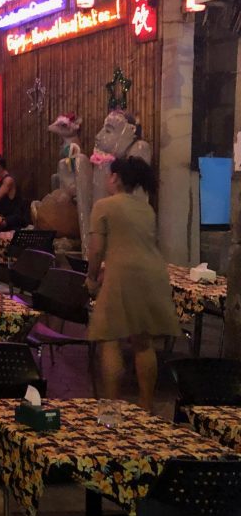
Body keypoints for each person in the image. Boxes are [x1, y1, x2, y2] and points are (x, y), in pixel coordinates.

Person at [86, 157, 180, 412]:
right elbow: (136, 245)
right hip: (153, 274)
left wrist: (92, 278)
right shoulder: (146, 209)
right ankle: (146, 406)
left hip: (122, 275)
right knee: (143, 340)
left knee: (109, 337)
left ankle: (111, 408)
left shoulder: (103, 205)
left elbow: (96, 252)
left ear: (115, 178)